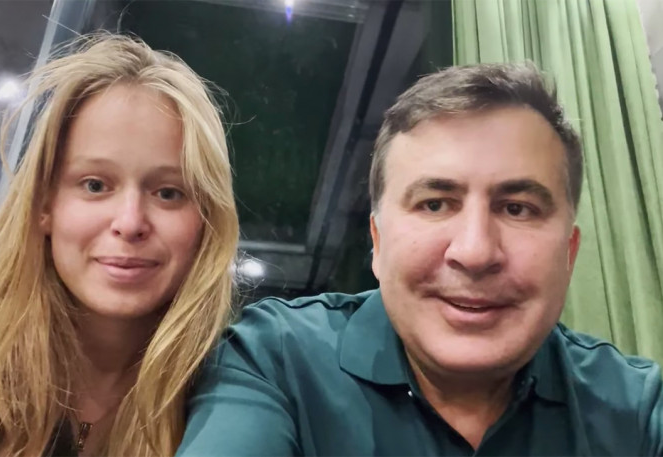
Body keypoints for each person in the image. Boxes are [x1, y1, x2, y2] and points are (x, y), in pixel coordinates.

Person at [177, 62, 663, 456]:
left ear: (569, 253)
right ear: (377, 241)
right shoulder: (275, 360)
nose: (474, 252)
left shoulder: (639, 409)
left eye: (517, 208)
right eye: (435, 204)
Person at [0, 33, 238, 456]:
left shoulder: (234, 396)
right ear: (44, 203)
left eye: (168, 193)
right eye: (95, 185)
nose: (130, 223)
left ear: (207, 221)